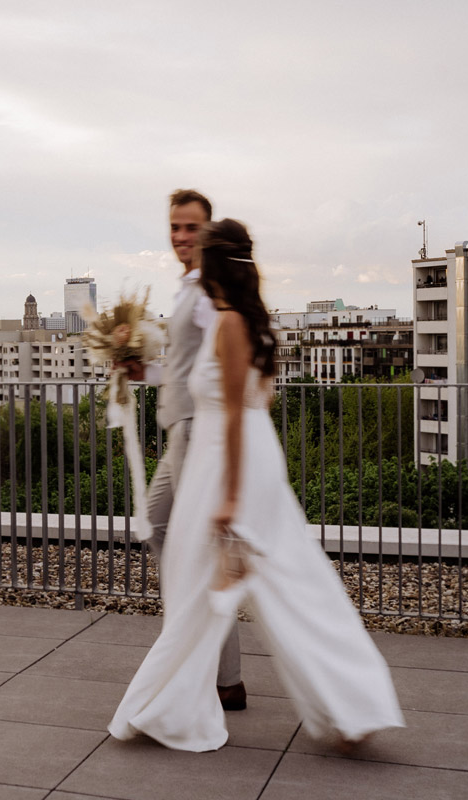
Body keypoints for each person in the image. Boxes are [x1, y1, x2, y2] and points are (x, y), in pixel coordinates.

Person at [108, 218, 404, 752]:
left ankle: (167, 708)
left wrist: (230, 497)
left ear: (215, 264)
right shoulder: (244, 321)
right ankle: (353, 706)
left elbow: (235, 415)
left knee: (212, 586)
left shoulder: (229, 324)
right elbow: (231, 397)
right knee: (282, 582)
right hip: (236, 460)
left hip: (228, 464)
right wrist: (142, 371)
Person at [118, 189, 244, 711]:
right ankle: (205, 650)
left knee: (193, 546)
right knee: (157, 526)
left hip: (196, 430)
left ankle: (223, 675)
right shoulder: (188, 286)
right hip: (180, 430)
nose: (181, 236)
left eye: (191, 227)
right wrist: (140, 370)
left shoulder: (209, 292)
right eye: (175, 226)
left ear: (208, 232)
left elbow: (222, 365)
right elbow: (185, 368)